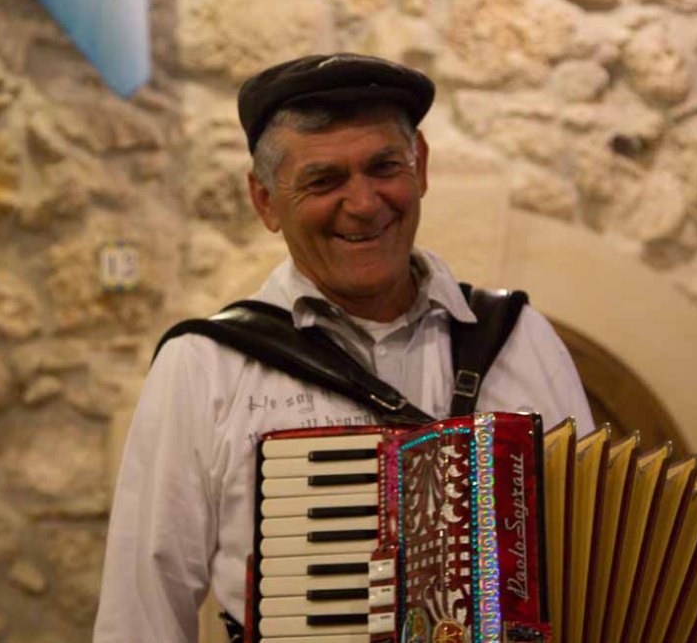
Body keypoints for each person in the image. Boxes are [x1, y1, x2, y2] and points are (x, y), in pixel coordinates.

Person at [92, 53, 595, 643]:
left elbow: (588, 560)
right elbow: (141, 611)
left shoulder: (520, 337)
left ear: (421, 165)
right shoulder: (205, 366)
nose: (363, 203)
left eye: (384, 167)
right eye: (323, 181)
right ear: (264, 200)